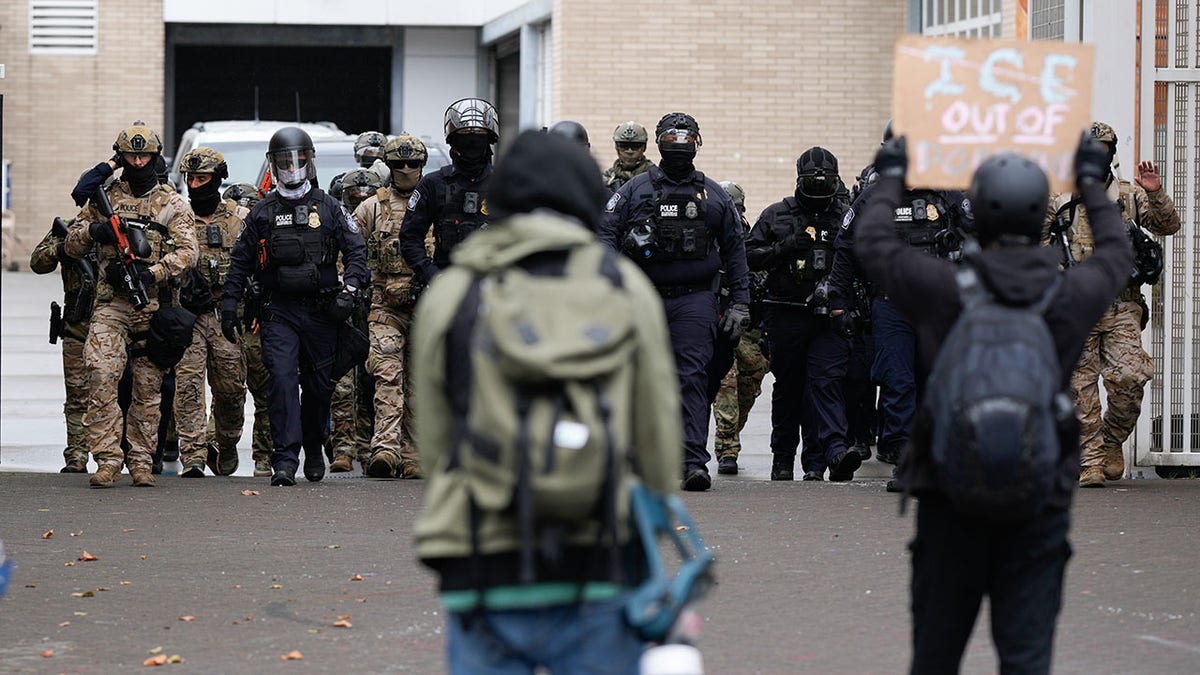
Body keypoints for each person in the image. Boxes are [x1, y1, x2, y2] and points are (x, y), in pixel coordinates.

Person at [858, 135, 1132, 674]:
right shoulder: (1068, 297)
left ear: (975, 211)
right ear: (1039, 217)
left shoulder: (945, 287)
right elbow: (1116, 255)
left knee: (936, 658)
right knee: (1025, 659)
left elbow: (874, 245)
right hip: (1038, 502)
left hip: (948, 498)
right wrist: (1093, 185)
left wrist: (891, 170)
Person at [412, 129, 681, 674]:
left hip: (481, 560)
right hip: (600, 554)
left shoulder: (455, 291)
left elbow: (437, 443)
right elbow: (657, 439)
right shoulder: (625, 287)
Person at [599, 111, 751, 491]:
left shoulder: (714, 195)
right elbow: (604, 234)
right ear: (661, 144)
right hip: (641, 297)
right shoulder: (633, 192)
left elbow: (735, 251)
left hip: (694, 301)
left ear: (696, 144)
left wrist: (740, 304)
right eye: (672, 140)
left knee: (692, 378)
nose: (679, 147)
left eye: (686, 141)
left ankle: (692, 462)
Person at [220, 126, 369, 486]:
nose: (292, 167)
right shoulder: (262, 212)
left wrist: (349, 290)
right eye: (284, 161)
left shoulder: (329, 207)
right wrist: (229, 304)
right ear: (273, 165)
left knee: (319, 388)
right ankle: (285, 459)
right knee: (283, 381)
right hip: (279, 312)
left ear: (309, 160)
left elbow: (357, 252)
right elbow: (239, 260)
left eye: (298, 159)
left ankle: (315, 446)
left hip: (322, 312)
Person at [827, 128, 974, 490]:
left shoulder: (949, 193)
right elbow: (846, 248)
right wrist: (838, 301)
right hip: (892, 305)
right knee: (897, 382)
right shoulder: (873, 198)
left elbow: (979, 235)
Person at [63, 121, 199, 488]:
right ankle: (107, 459)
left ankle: (141, 461)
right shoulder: (104, 198)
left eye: (144, 155)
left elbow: (190, 253)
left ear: (154, 157)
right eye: (130, 155)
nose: (137, 162)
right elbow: (71, 243)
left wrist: (154, 272)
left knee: (147, 388)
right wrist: (96, 231)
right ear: (120, 156)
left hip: (153, 305)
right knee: (102, 374)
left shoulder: (171, 204)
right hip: (111, 306)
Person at [1047, 121, 1182, 487]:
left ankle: (1109, 442)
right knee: (1080, 389)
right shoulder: (1059, 198)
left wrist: (1155, 194)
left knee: (1129, 381)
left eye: (1101, 150)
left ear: (1110, 153)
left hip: (1122, 305)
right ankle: (1089, 462)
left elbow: (1169, 225)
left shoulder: (1129, 195)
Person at [745, 147, 858, 481]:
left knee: (825, 382)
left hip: (830, 315)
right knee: (790, 387)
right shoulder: (776, 215)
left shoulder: (846, 217)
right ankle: (783, 459)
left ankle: (826, 456)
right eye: (814, 179)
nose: (820, 184)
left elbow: (866, 259)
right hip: (785, 313)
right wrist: (784, 249)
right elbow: (748, 256)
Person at [353, 134, 429, 478]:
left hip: (427, 307)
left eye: (413, 163)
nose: (407, 170)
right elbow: (350, 250)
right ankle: (385, 448)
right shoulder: (372, 207)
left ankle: (413, 454)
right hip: (385, 307)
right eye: (399, 164)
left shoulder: (435, 203)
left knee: (419, 382)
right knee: (387, 376)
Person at [173, 147, 249, 478]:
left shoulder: (240, 220)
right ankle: (192, 454)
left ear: (217, 180)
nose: (195, 185)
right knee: (187, 385)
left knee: (231, 390)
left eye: (202, 178)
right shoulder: (178, 220)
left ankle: (225, 441)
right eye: (190, 179)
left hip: (226, 314)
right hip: (189, 316)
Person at [325, 169, 386, 473]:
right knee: (342, 386)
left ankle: (367, 445)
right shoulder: (336, 226)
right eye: (354, 196)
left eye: (366, 196)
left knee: (372, 379)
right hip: (344, 311)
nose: (360, 200)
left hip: (375, 310)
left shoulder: (387, 222)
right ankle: (343, 449)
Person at [399, 98, 499, 286]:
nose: (472, 141)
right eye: (464, 135)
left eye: (478, 135)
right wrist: (433, 275)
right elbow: (410, 238)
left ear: (489, 139)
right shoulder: (433, 183)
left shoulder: (505, 183)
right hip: (445, 282)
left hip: (494, 284)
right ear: (453, 140)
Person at [30, 217, 98, 473]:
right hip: (76, 324)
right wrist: (63, 248)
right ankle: (77, 455)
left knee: (117, 394)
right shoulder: (71, 228)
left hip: (115, 324)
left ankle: (116, 455)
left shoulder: (121, 229)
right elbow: (37, 263)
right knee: (77, 393)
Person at [711, 181, 769, 476]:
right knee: (727, 383)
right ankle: (727, 449)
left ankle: (730, 435)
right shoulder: (709, 241)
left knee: (749, 385)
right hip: (719, 322)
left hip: (750, 329)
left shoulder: (751, 240)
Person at [602, 121, 655, 191]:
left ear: (644, 148)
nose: (629, 151)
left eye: (635, 146)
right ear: (617, 147)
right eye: (624, 146)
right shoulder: (607, 179)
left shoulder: (655, 176)